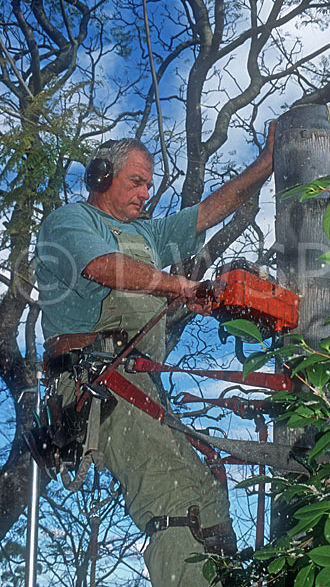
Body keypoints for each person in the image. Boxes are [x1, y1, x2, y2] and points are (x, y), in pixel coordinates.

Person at [35, 122, 275, 587]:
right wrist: (181, 286)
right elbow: (102, 267)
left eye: (149, 183)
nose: (146, 192)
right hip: (92, 381)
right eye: (136, 181)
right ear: (102, 176)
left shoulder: (146, 235)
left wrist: (265, 164)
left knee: (207, 499)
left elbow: (207, 212)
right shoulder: (72, 222)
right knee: (171, 495)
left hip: (136, 383)